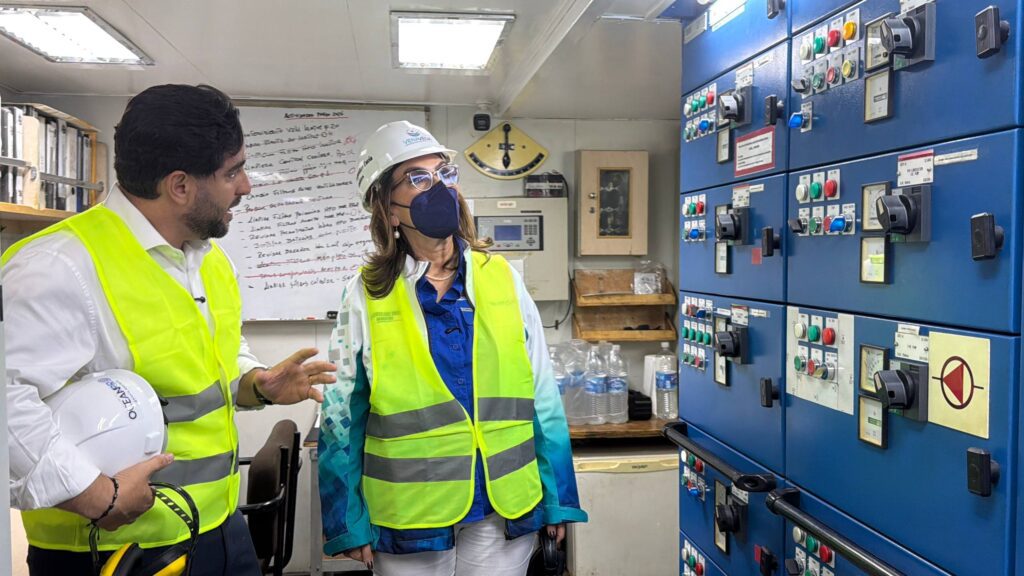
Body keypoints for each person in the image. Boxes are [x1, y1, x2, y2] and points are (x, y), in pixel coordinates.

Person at [4, 84, 337, 575]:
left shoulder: (208, 259)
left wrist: (255, 383)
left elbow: (212, 358)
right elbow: (8, 398)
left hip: (218, 527)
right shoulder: (59, 266)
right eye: (233, 172)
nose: (246, 187)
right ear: (180, 186)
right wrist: (94, 495)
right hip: (116, 551)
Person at [318, 121, 587, 576]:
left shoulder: (502, 278)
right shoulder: (365, 294)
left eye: (445, 173)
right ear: (389, 209)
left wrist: (558, 498)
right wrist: (346, 520)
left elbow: (542, 395)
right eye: (418, 178)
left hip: (502, 504)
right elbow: (341, 413)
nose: (439, 187)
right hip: (410, 514)